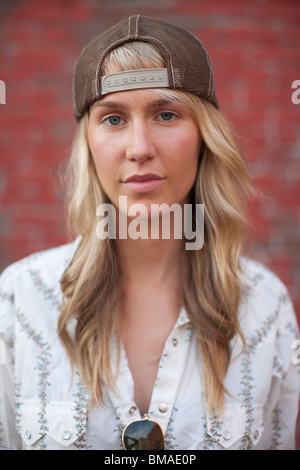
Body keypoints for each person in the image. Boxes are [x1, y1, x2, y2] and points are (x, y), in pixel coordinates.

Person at [0, 15, 299, 451]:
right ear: (88, 142)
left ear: (204, 137)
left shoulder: (264, 306)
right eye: (114, 119)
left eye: (165, 114)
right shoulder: (20, 301)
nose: (139, 148)